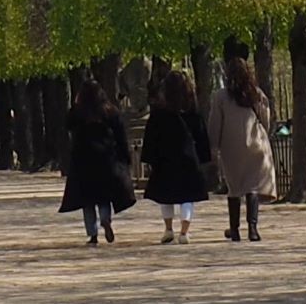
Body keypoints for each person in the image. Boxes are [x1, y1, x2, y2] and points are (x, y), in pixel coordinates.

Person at [58, 79, 134, 245]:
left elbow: (67, 124)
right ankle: (105, 219)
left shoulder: (78, 112)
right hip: (106, 158)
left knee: (87, 200)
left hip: (83, 160)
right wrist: (124, 157)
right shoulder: (110, 111)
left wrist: (76, 104)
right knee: (104, 196)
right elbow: (120, 135)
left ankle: (92, 234)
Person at [209, 59, 276, 242]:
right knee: (252, 186)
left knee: (234, 187)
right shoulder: (256, 94)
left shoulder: (220, 97)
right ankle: (253, 228)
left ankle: (234, 229)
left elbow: (215, 122)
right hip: (255, 143)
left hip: (231, 146)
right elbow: (266, 119)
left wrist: (214, 146)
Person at [141, 70, 210, 244]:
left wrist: (149, 159)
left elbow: (150, 138)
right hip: (188, 158)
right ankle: (185, 231)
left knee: (166, 195)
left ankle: (168, 229)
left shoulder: (158, 113)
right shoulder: (192, 112)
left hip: (165, 159)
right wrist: (204, 157)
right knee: (187, 196)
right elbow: (201, 136)